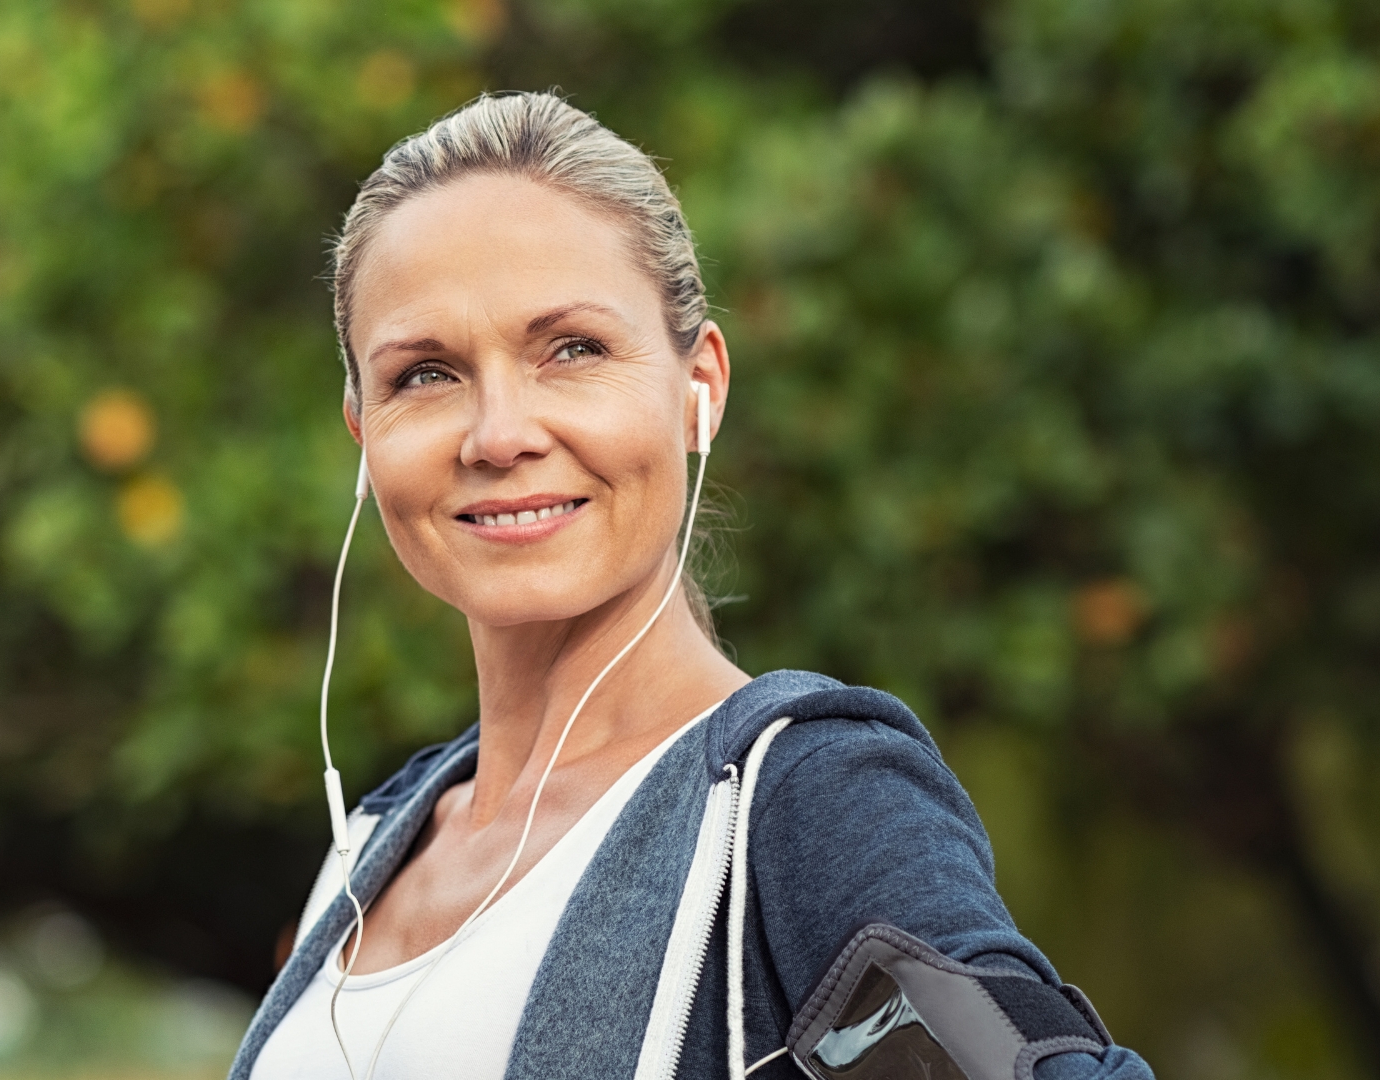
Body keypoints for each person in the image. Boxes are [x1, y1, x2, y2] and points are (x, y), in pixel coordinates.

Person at [230, 92, 1154, 1080]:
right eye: (425, 373)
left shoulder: (799, 795)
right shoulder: (369, 845)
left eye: (573, 350)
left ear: (699, 386)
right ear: (364, 431)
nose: (499, 434)